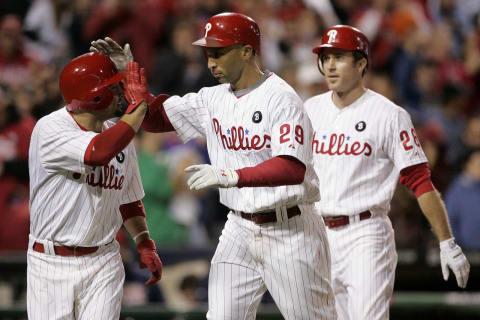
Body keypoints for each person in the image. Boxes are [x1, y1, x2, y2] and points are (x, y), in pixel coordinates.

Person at [91, 12, 337, 320]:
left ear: (247, 51)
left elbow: (291, 168)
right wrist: (128, 77)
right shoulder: (212, 98)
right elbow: (155, 120)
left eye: (219, 52)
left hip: (289, 228)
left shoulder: (281, 99)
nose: (211, 62)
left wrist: (228, 175)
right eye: (208, 53)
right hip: (238, 227)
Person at [304, 25, 470, 320]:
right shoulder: (310, 110)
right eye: (326, 57)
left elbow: (419, 181)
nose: (329, 65)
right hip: (318, 234)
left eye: (339, 57)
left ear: (361, 63)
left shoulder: (389, 115)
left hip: (365, 234)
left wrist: (447, 241)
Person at [27, 52, 163, 320]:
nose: (121, 91)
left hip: (104, 260)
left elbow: (128, 198)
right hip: (51, 263)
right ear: (95, 96)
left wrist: (145, 242)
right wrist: (138, 109)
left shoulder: (119, 131)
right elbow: (97, 152)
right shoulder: (50, 128)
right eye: (113, 86)